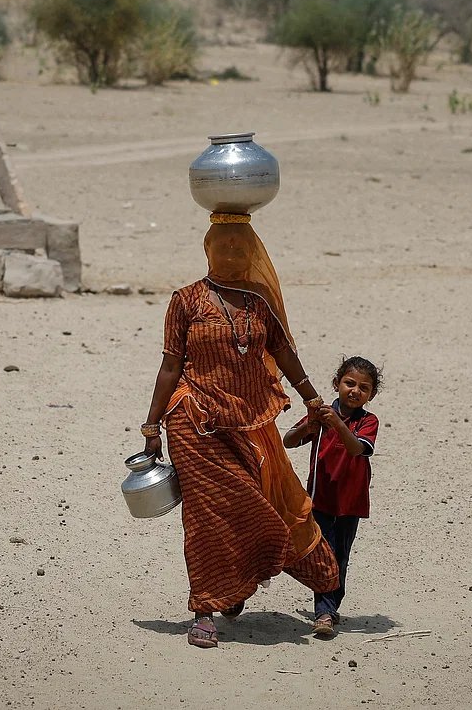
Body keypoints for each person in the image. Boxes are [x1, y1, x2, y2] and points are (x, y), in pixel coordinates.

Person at [140, 212, 339, 649]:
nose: (231, 253)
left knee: (268, 506)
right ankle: (205, 610)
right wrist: (151, 423)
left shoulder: (259, 303)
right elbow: (171, 364)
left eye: (240, 247)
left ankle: (252, 585)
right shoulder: (186, 300)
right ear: (208, 248)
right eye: (223, 245)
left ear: (250, 252)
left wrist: (311, 398)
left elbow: (283, 352)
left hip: (251, 423)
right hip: (193, 420)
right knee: (207, 516)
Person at [283, 356, 381, 638]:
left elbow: (356, 449)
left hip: (350, 503)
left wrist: (336, 424)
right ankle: (323, 609)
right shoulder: (323, 414)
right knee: (320, 553)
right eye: (350, 383)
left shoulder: (368, 421)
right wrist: (310, 425)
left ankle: (328, 609)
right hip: (320, 498)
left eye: (364, 388)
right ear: (337, 383)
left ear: (371, 395)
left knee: (340, 557)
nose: (355, 391)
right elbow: (289, 441)